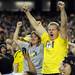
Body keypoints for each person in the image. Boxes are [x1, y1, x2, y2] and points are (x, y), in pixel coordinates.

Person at [23, 1, 68, 75]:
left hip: (58, 72)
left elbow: (64, 25)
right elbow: (36, 25)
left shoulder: (61, 39)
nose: (51, 31)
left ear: (58, 31)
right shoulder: (46, 38)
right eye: (49, 30)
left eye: (53, 29)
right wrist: (27, 12)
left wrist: (62, 10)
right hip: (45, 72)